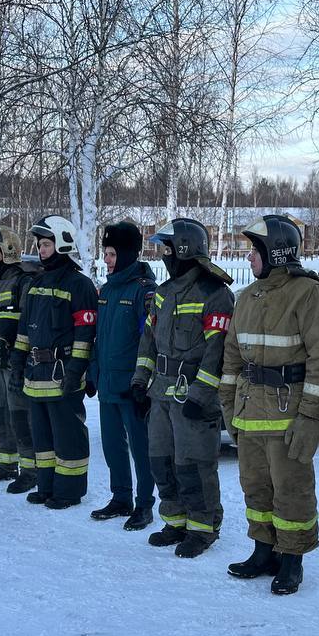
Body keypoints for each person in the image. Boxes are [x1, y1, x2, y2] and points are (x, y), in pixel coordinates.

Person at [221, 215, 319, 594]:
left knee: (291, 488)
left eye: (255, 251)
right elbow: (232, 359)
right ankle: (263, 550)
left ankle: (292, 560)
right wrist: (228, 406)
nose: (249, 258)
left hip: (288, 414)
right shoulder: (247, 297)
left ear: (277, 252)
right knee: (255, 486)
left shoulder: (308, 294)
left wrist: (310, 416)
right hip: (249, 410)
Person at [131, 218, 234, 558]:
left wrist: (201, 396)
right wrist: (139, 384)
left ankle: (202, 529)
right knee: (161, 460)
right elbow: (148, 342)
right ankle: (174, 521)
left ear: (185, 249)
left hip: (191, 393)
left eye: (169, 248)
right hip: (160, 391)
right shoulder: (162, 293)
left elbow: (216, 353)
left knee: (194, 464)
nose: (164, 255)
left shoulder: (215, 295)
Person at [11, 215, 99, 509]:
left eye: (46, 244)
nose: (41, 249)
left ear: (62, 244)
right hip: (36, 374)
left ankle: (69, 491)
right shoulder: (35, 283)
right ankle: (46, 486)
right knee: (43, 437)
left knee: (68, 435)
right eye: (39, 244)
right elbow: (24, 330)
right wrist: (17, 363)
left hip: (63, 373)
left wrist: (76, 370)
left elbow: (85, 333)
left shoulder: (80, 284)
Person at [88, 222, 157, 530]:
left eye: (112, 253)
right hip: (107, 384)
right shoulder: (106, 291)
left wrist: (144, 384)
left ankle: (144, 504)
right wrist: (92, 373)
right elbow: (97, 338)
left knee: (141, 449)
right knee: (112, 445)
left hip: (132, 387)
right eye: (105, 253)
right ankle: (120, 498)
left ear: (128, 254)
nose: (107, 259)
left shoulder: (143, 291)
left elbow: (150, 341)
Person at [0, 225, 41, 492]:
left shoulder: (24, 281)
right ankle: (5, 464)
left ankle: (30, 470)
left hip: (18, 363)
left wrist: (17, 358)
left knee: (20, 417)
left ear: (9, 252)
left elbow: (28, 324)